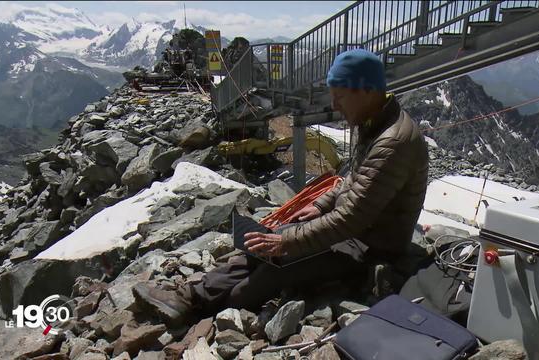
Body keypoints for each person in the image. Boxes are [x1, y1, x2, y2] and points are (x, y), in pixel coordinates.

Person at [132, 48, 429, 327]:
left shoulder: (393, 142)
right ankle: (189, 298)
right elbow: (353, 181)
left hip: (368, 248)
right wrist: (320, 205)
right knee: (264, 243)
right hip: (351, 234)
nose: (335, 105)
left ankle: (202, 310)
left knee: (269, 271)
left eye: (340, 96)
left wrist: (288, 243)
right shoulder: (374, 123)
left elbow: (353, 218)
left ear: (366, 90)